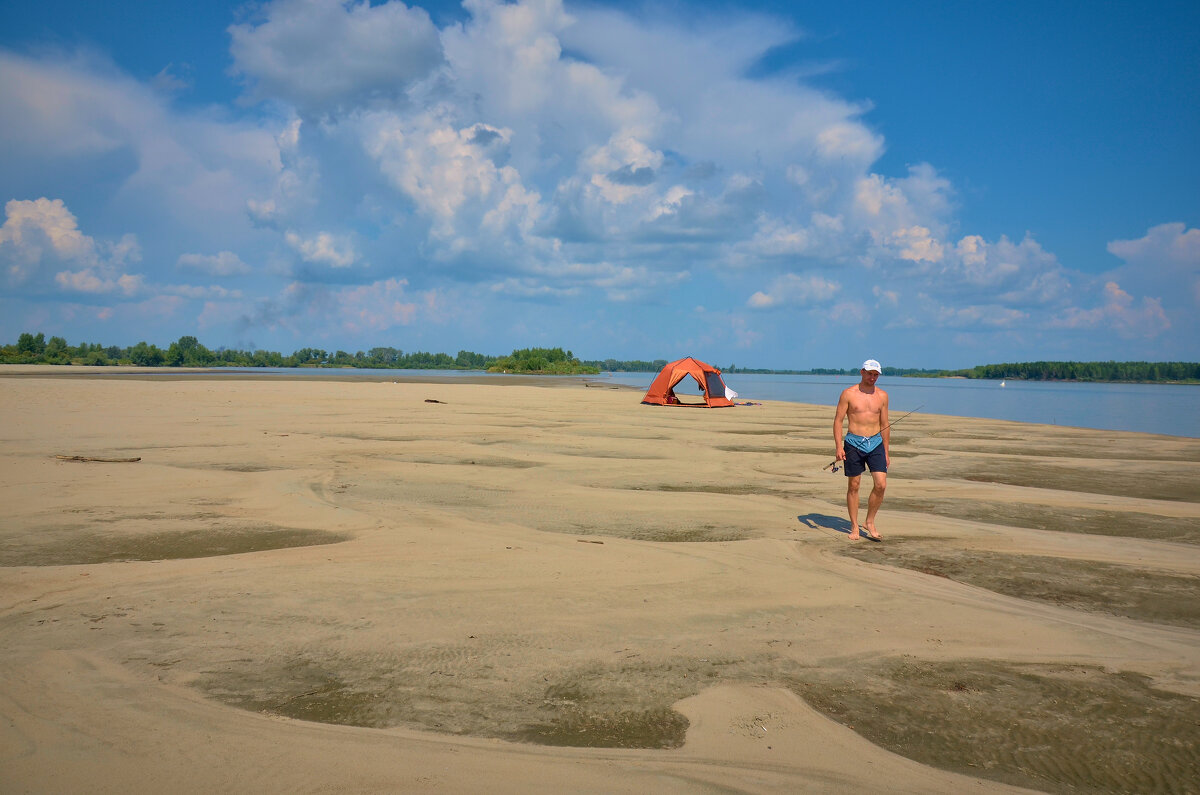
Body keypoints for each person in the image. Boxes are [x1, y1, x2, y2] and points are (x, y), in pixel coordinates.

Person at [833, 359, 890, 541]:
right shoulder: (848, 394)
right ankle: (854, 526)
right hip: (853, 443)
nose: (873, 377)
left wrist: (887, 451)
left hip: (876, 443)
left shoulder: (882, 396)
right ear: (862, 372)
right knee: (854, 485)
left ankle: (870, 522)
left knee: (881, 484)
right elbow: (838, 421)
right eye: (870, 373)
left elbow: (885, 424)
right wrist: (838, 447)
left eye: (876, 375)